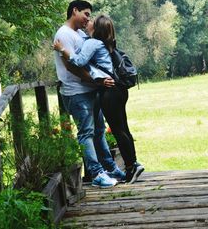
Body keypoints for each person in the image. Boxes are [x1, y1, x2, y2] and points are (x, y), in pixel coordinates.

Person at [53, 15, 145, 184]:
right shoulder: (105, 43)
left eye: (90, 22)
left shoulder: (93, 42)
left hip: (109, 92)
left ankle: (131, 166)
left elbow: (78, 61)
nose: (87, 23)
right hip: (119, 90)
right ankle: (133, 164)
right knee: (122, 127)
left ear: (95, 29)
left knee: (118, 129)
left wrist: (61, 49)